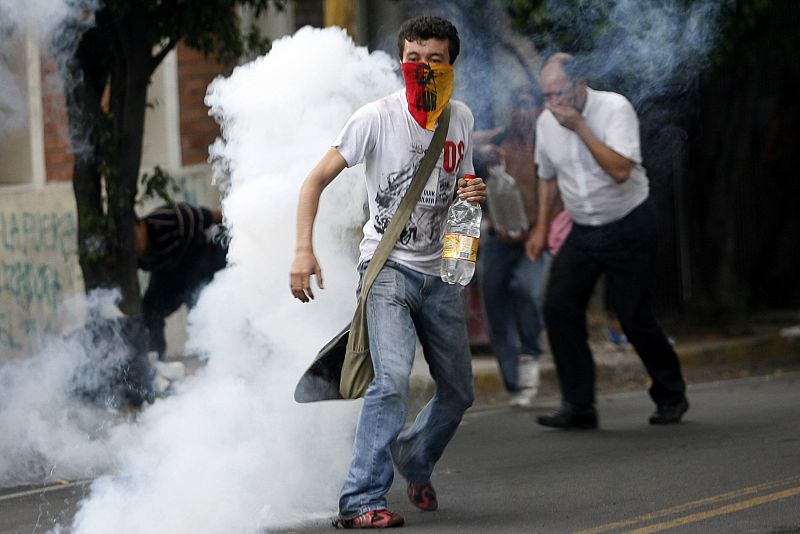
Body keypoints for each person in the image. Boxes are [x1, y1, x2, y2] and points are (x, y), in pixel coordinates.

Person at [289, 16, 486, 529]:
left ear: (451, 65)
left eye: (434, 61)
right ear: (402, 63)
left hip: (441, 273)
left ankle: (415, 461)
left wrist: (470, 225)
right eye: (413, 60)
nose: (423, 70)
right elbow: (313, 182)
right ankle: (360, 501)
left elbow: (461, 193)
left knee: (460, 390)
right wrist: (303, 252)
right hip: (389, 271)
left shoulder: (460, 118)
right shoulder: (375, 118)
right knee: (392, 379)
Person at [526, 53, 689, 429]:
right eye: (546, 96)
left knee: (633, 316)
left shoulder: (615, 109)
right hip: (583, 228)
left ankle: (671, 394)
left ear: (580, 84)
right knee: (558, 308)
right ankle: (579, 406)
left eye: (559, 94)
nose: (552, 104)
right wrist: (540, 228)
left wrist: (581, 126)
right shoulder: (546, 123)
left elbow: (619, 170)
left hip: (628, 223)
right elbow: (547, 177)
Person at [473, 88, 550, 408]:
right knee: (494, 302)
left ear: (537, 109)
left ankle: (531, 354)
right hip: (498, 238)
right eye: (515, 104)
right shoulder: (499, 140)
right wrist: (482, 151)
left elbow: (554, 190)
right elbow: (464, 139)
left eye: (527, 104)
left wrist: (542, 230)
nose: (521, 111)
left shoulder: (546, 143)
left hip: (534, 237)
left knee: (526, 289)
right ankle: (513, 378)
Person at [135, 202, 228, 361]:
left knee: (201, 304)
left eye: (134, 237)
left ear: (141, 225)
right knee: (150, 309)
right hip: (170, 272)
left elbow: (212, 216)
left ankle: (217, 356)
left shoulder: (167, 220)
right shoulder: (132, 255)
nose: (133, 246)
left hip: (201, 256)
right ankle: (157, 361)